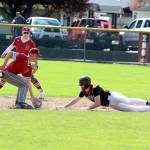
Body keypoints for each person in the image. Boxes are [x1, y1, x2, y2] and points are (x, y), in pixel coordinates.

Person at [56, 76, 150, 112]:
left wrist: (87, 108)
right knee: (132, 110)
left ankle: (147, 102)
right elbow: (75, 100)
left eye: (81, 84)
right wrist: (64, 107)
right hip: (110, 104)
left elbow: (98, 103)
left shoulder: (95, 88)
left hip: (113, 97)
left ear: (86, 84)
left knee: (127, 101)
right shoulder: (83, 91)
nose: (80, 86)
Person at [1, 27, 45, 99]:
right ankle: (34, 95)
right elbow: (11, 46)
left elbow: (35, 54)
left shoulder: (31, 42)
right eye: (25, 32)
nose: (26, 34)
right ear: (22, 32)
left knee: (31, 78)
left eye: (27, 33)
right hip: (17, 60)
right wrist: (4, 53)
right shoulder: (17, 39)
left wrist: (36, 64)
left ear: (29, 33)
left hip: (26, 62)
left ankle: (41, 92)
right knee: (6, 75)